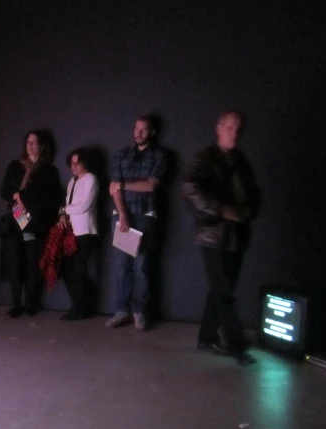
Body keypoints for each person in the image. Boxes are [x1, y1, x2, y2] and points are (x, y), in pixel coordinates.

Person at [182, 109, 260, 366]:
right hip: (213, 236)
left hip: (237, 235)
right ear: (219, 128)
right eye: (229, 127)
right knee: (224, 290)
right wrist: (221, 210)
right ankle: (236, 345)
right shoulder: (206, 158)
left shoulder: (240, 159)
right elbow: (189, 188)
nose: (234, 133)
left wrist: (250, 210)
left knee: (221, 288)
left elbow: (252, 191)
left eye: (238, 129)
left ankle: (206, 337)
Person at [106, 115, 167, 331]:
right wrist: (122, 214)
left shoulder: (159, 155)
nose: (138, 133)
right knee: (123, 267)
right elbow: (113, 189)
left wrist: (122, 184)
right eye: (136, 129)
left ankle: (140, 313)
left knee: (141, 267)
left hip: (145, 215)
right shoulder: (122, 154)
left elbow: (151, 186)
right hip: (124, 216)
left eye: (143, 130)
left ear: (152, 132)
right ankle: (122, 311)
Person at [0, 130, 62, 317]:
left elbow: (50, 197)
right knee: (14, 260)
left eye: (34, 142)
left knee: (32, 262)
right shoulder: (15, 166)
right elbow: (3, 191)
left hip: (36, 222)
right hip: (16, 218)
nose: (30, 145)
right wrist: (15, 195)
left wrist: (23, 195)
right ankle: (16, 303)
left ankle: (30, 303)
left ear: (41, 146)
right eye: (28, 141)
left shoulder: (48, 170)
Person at [57, 148, 99, 320]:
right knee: (69, 270)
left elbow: (84, 206)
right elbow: (68, 206)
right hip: (72, 232)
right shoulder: (72, 182)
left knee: (79, 270)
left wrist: (64, 209)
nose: (73, 166)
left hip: (86, 232)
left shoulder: (91, 179)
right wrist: (62, 214)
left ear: (85, 163)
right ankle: (79, 305)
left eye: (77, 162)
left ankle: (78, 309)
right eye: (72, 163)